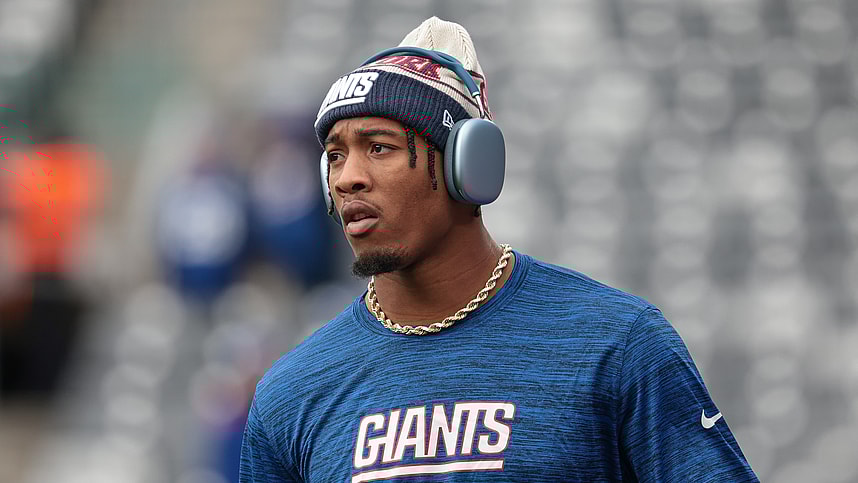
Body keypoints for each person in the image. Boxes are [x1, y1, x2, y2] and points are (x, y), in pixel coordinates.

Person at [240, 17, 758, 482]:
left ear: (468, 166)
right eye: (335, 155)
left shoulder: (616, 345)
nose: (349, 177)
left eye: (380, 147)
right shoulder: (292, 394)